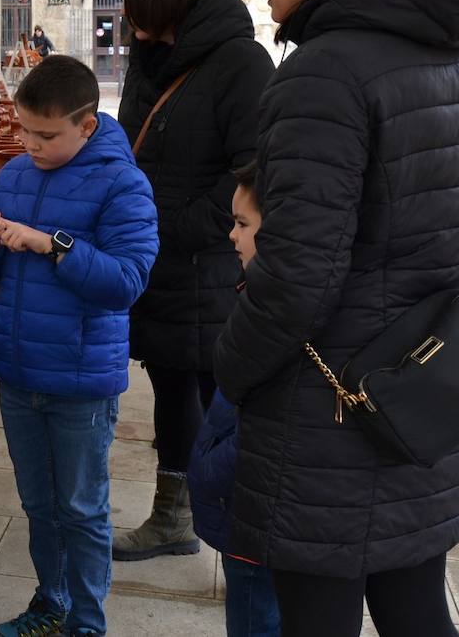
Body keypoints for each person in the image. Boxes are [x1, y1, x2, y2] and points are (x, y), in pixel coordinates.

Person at [211, 0, 459, 637]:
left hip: (333, 416)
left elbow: (298, 274)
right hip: (431, 394)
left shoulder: (323, 72)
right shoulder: (451, 56)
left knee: (319, 620)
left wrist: (235, 368)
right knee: (417, 610)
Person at [0, 55, 158, 637]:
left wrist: (54, 244)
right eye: (24, 129)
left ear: (87, 125)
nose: (30, 144)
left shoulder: (124, 183)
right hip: (19, 368)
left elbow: (127, 281)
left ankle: (87, 623)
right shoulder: (20, 173)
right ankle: (49, 605)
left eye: (46, 134)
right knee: (39, 506)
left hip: (80, 377)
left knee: (81, 509)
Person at [113, 0, 274, 561]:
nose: (127, 11)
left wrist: (177, 223)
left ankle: (242, 532)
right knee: (172, 382)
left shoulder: (240, 62)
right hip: (161, 260)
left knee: (220, 398)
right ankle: (173, 518)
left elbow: (252, 171)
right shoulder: (156, 53)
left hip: (209, 262)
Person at [188, 161, 280, 637]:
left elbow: (265, 424)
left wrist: (215, 468)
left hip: (255, 515)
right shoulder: (259, 295)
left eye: (243, 224)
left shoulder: (280, 314)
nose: (231, 235)